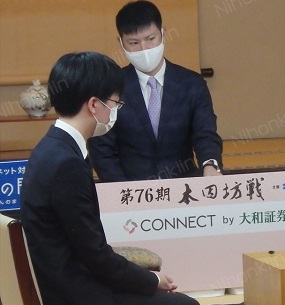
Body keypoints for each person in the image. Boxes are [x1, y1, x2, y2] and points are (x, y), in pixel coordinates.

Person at [20, 52, 203, 305]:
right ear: (94, 105)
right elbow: (94, 255)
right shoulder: (66, 163)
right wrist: (151, 280)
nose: (115, 111)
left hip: (61, 286)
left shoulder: (51, 147)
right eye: (115, 103)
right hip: (77, 301)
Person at [88, 0, 222, 182]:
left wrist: (210, 165)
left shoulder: (192, 84)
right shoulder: (109, 88)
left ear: (163, 34)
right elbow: (102, 149)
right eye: (134, 42)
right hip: (131, 189)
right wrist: (124, 190)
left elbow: (205, 134)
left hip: (184, 186)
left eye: (150, 39)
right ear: (121, 43)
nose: (144, 49)